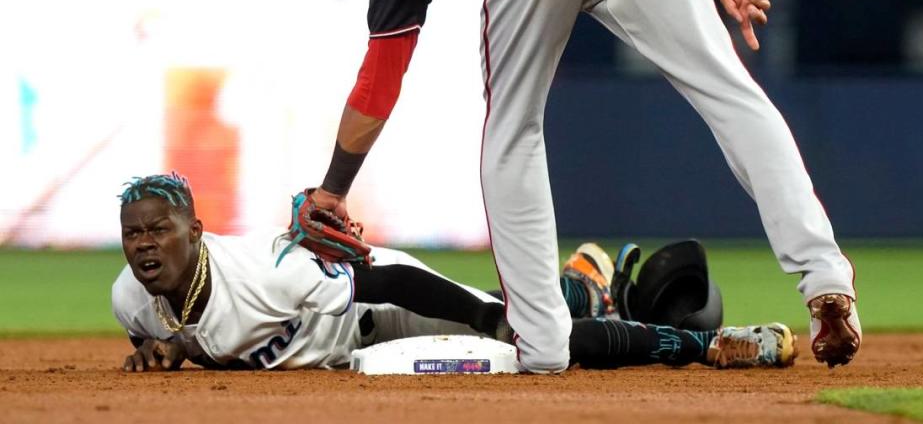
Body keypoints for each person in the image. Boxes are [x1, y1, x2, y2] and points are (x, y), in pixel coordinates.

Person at [304, 0, 860, 373]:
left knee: (513, 129)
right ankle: (826, 277)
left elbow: (379, 80)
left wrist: (334, 187)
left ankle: (542, 341)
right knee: (731, 92)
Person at [113, 173, 797, 372]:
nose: (146, 244)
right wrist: (166, 347)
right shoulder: (131, 300)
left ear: (194, 232)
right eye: (133, 233)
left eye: (159, 229)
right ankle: (585, 283)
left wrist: (488, 317)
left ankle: (712, 345)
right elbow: (193, 334)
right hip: (350, 353)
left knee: (537, 344)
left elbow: (386, 281)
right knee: (537, 319)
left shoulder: (270, 270)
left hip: (387, 314)